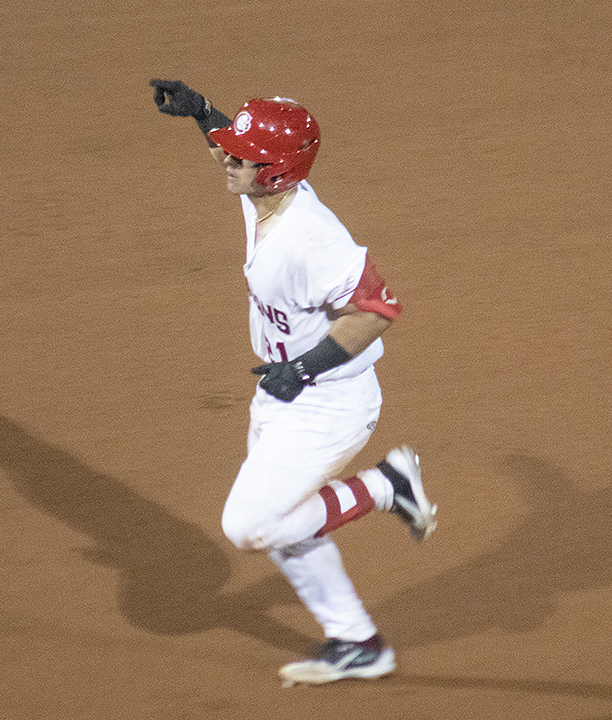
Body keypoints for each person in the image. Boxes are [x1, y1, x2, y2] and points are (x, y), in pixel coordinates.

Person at [148, 79, 438, 686]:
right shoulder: (266, 196)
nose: (226, 160)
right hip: (282, 393)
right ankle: (357, 641)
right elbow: (236, 156)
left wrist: (302, 368)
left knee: (249, 526)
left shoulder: (313, 240)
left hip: (327, 401)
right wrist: (203, 114)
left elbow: (377, 311)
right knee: (288, 527)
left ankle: (386, 486)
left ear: (276, 174)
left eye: (240, 155)